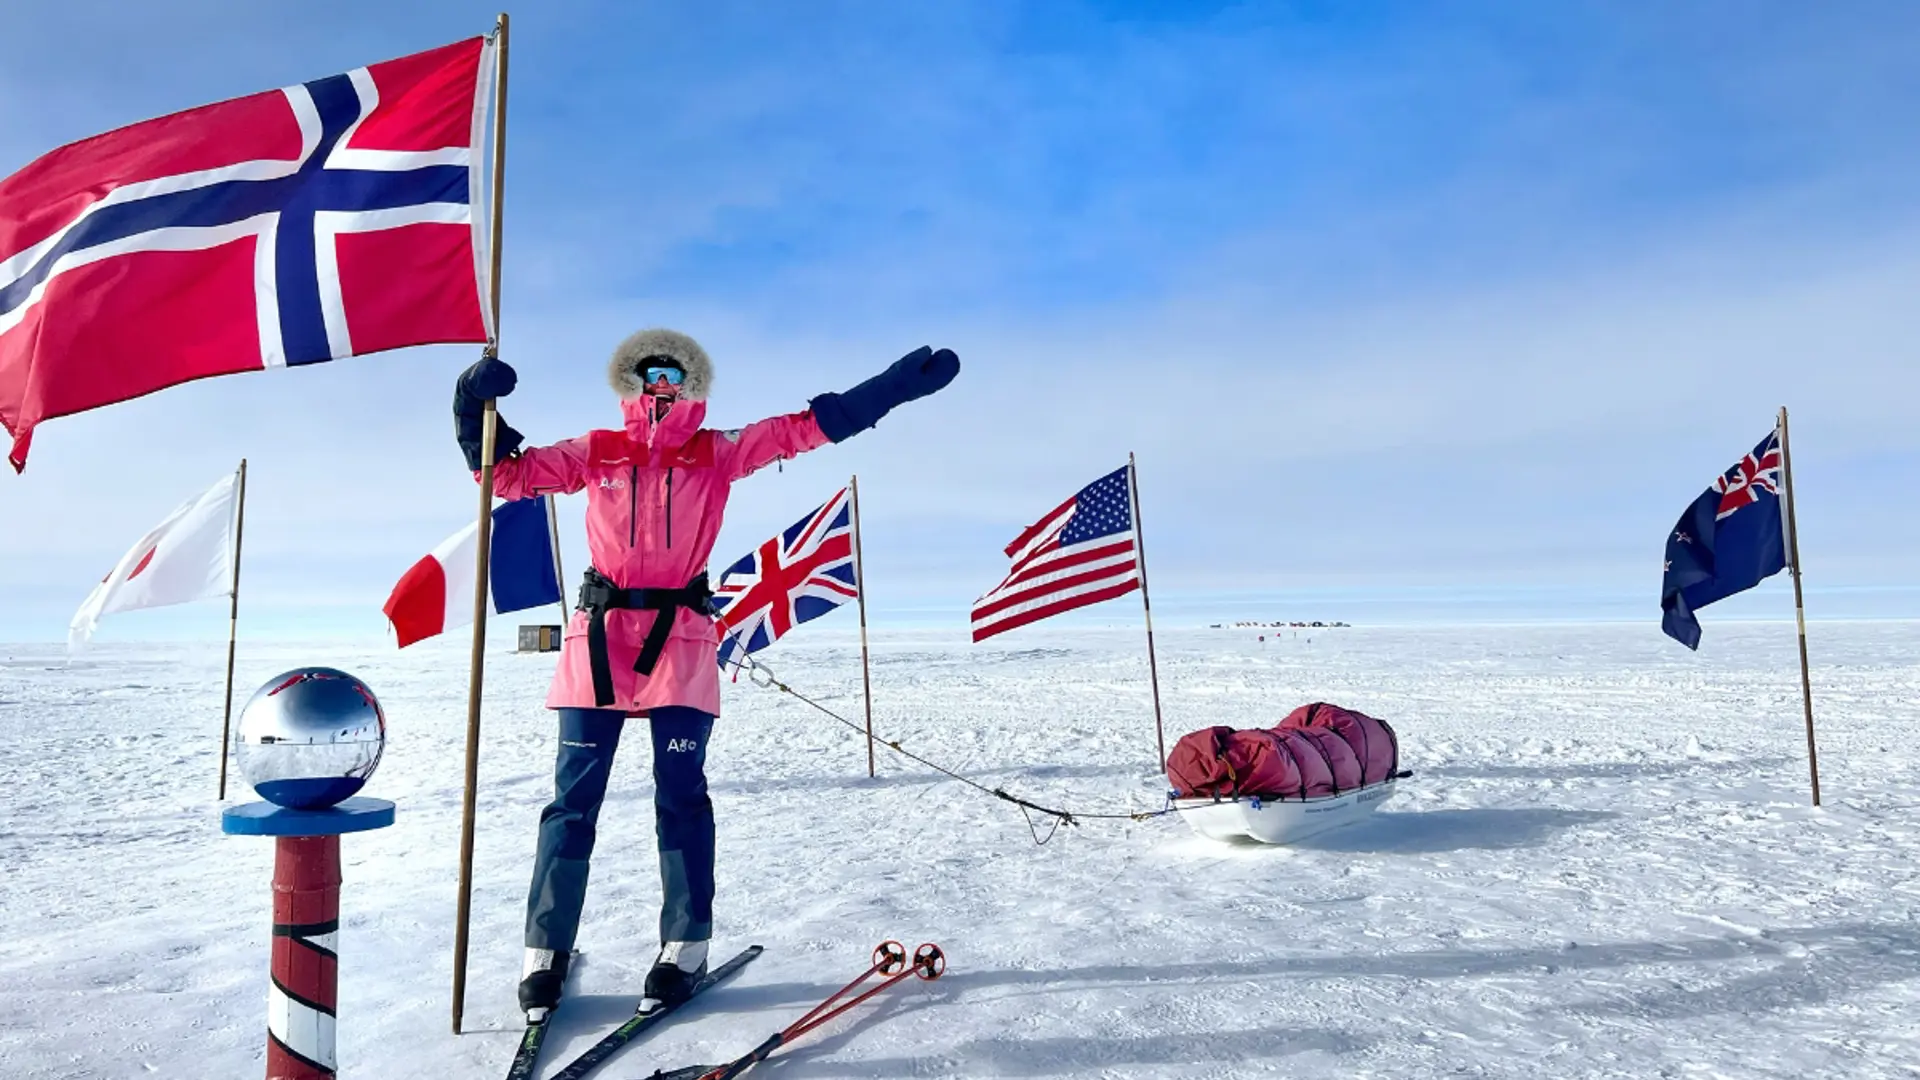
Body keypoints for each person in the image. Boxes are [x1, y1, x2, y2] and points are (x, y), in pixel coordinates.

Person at [451, 329, 960, 1017]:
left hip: (681, 642)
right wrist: (469, 404)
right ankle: (545, 951)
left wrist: (889, 391)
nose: (661, 383)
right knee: (572, 802)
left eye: (675, 373)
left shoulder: (716, 451)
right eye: (648, 372)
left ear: (691, 384)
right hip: (599, 643)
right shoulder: (597, 450)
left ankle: (683, 945)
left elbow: (803, 430)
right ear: (629, 382)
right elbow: (503, 476)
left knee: (681, 795)